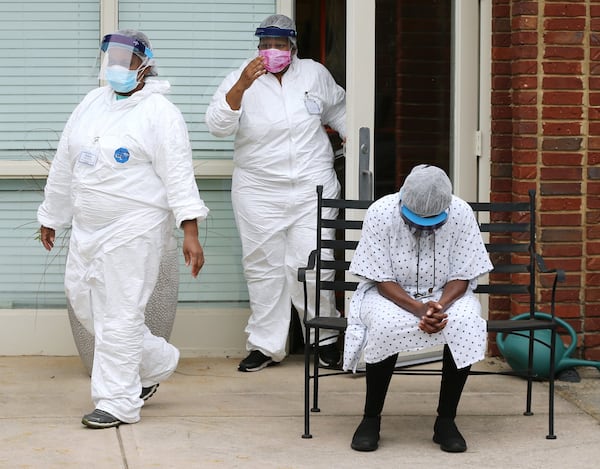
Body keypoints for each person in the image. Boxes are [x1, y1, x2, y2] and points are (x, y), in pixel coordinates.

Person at [37, 29, 210, 429]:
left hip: (135, 228)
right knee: (84, 303)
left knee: (119, 313)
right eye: (111, 57)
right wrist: (51, 214)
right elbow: (66, 161)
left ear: (145, 63)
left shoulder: (161, 113)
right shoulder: (91, 103)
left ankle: (117, 402)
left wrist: (190, 231)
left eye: (125, 58)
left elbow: (179, 176)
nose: (116, 66)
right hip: (86, 228)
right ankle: (157, 362)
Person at [205, 14, 346, 372]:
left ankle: (325, 338)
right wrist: (241, 85)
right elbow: (217, 126)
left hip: (312, 186)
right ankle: (266, 346)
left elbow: (340, 110)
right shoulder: (243, 75)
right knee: (263, 268)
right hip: (258, 190)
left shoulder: (313, 74)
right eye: (265, 44)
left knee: (313, 264)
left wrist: (354, 139)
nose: (271, 51)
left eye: (278, 45)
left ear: (292, 48)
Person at [343, 164, 493, 453]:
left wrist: (438, 306)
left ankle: (446, 421)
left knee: (466, 320)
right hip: (391, 294)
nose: (424, 227)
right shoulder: (380, 212)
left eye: (433, 222)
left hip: (443, 294)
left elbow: (463, 274)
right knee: (385, 325)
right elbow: (380, 277)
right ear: (402, 200)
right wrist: (418, 309)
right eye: (415, 220)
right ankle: (370, 419)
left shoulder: (461, 212)